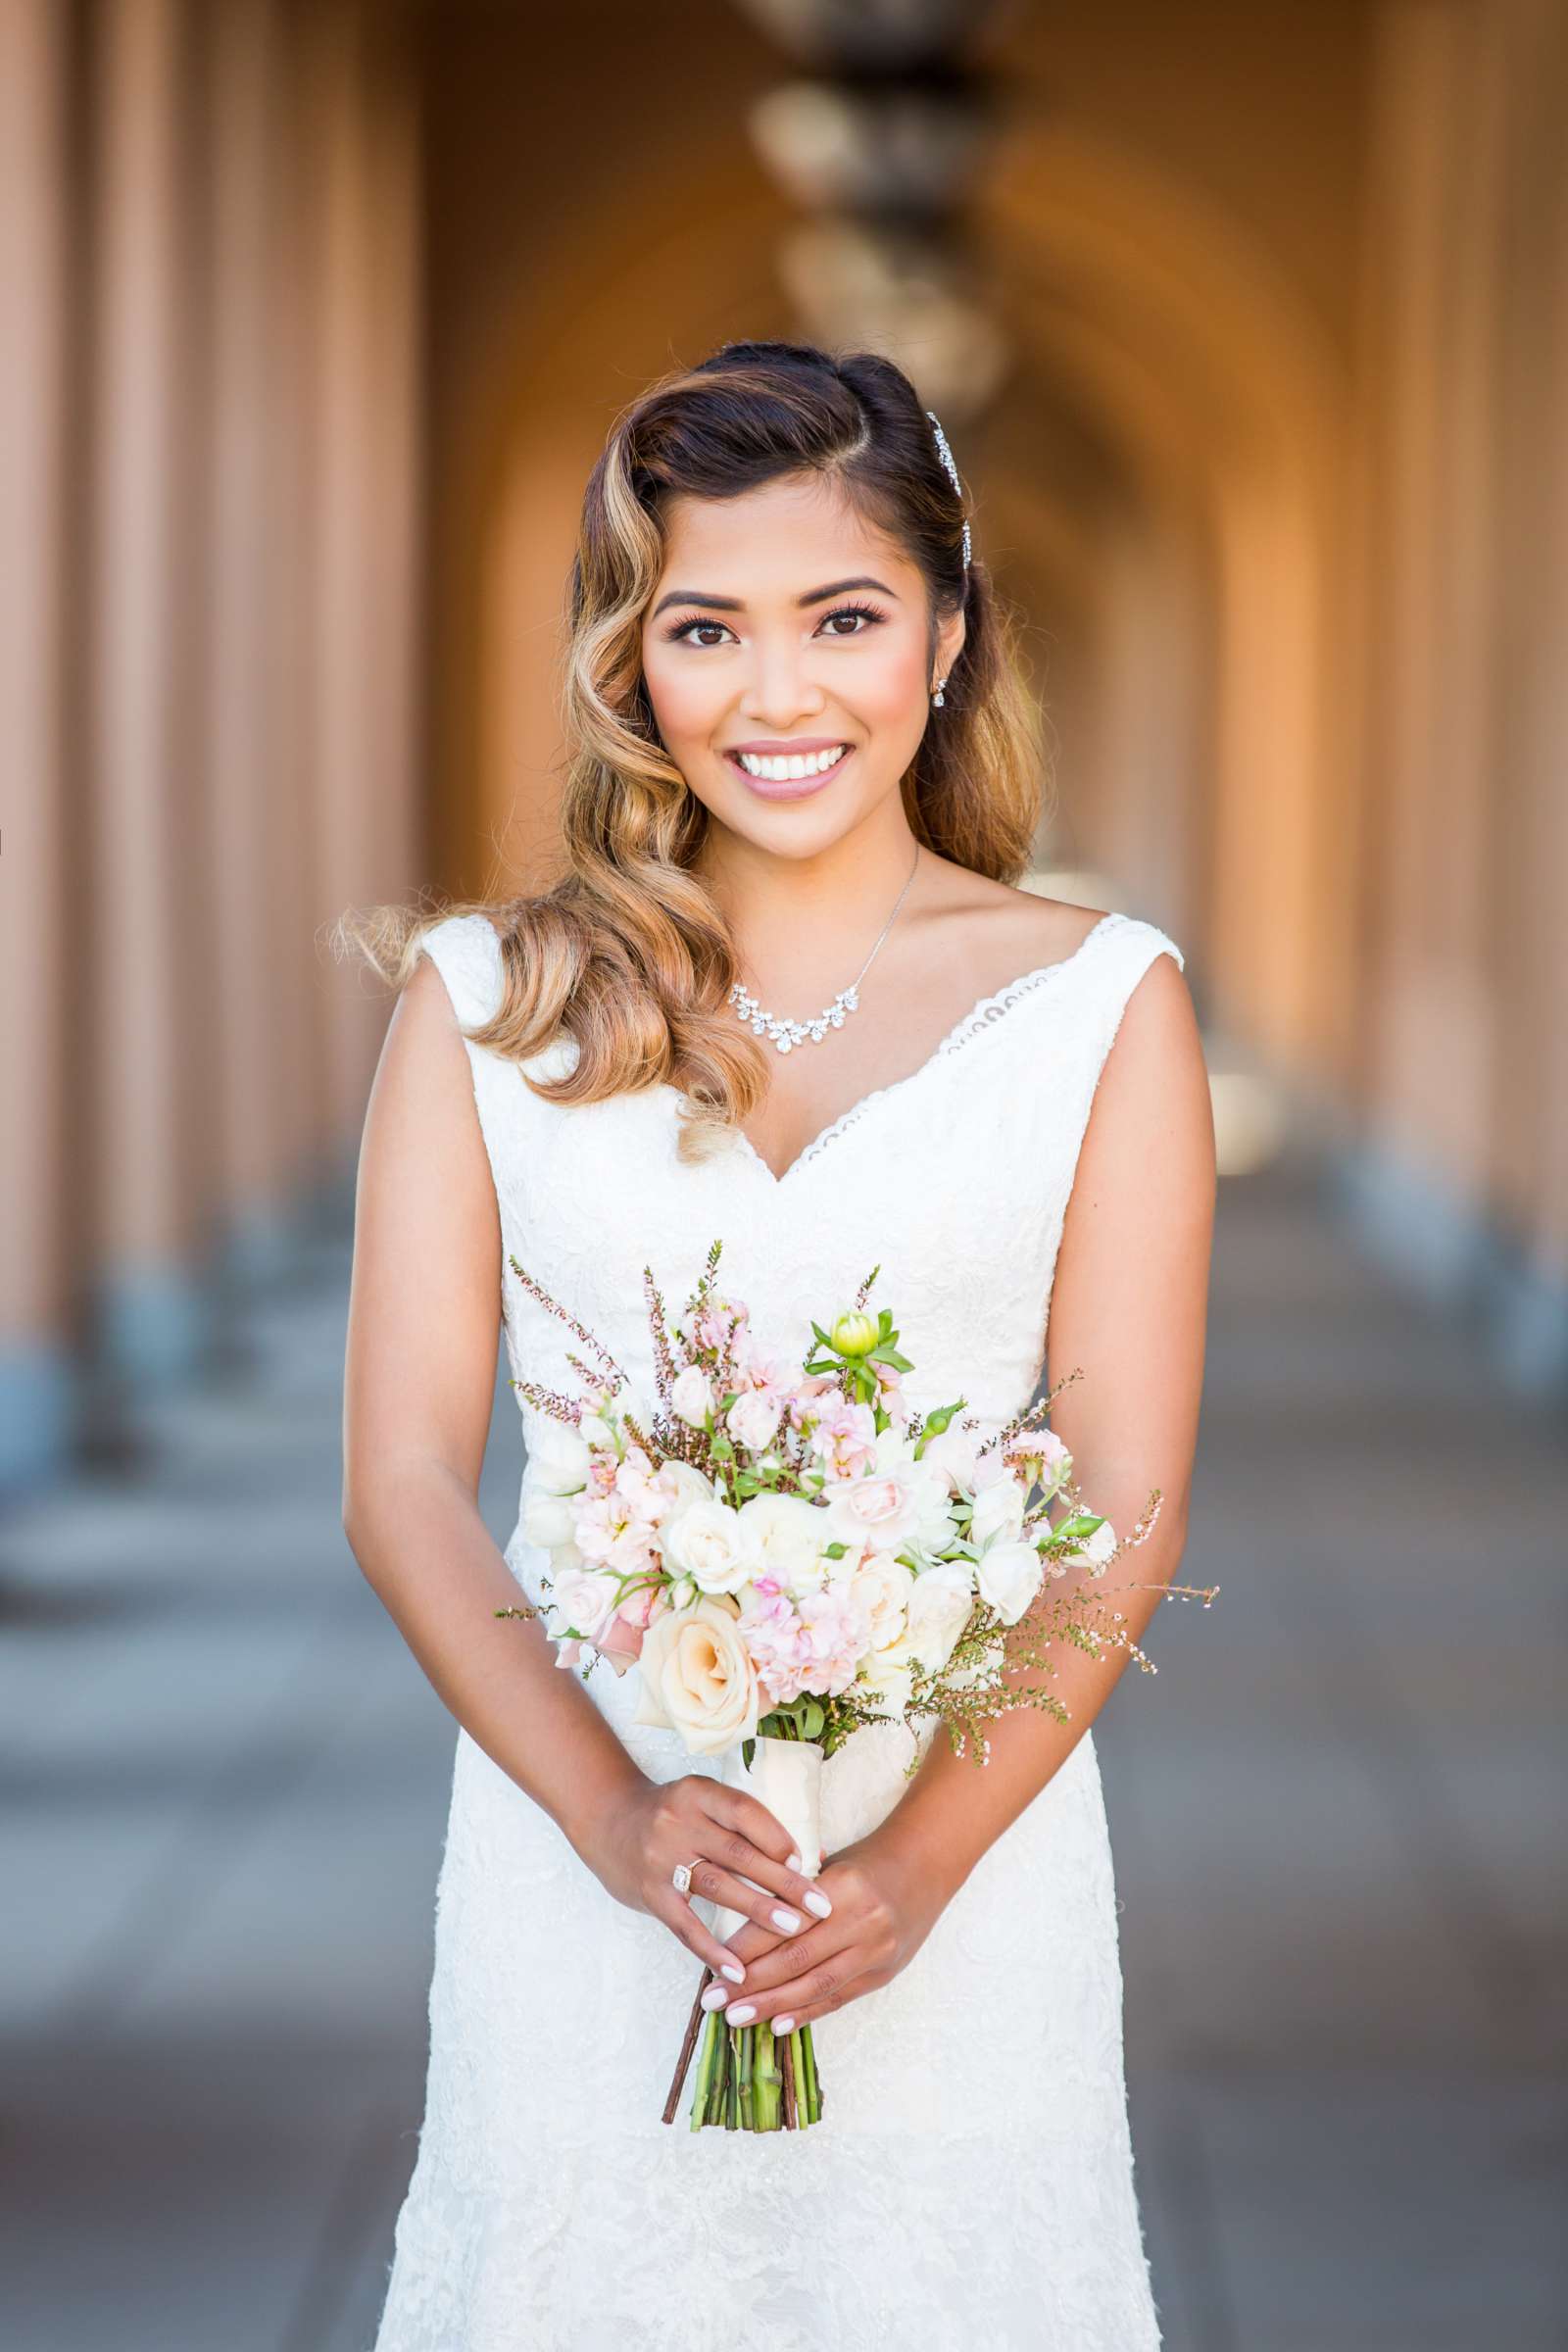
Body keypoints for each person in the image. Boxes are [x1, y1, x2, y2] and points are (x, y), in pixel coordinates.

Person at [340, 339, 1215, 2349]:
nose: (777, 694)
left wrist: (909, 1869)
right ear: (630, 662)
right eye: (704, 628)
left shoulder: (1097, 1006)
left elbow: (1118, 1501)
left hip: (958, 1888)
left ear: (945, 631)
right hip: (585, 1880)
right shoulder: (488, 1004)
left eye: (839, 617)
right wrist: (613, 1817)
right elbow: (403, 1476)